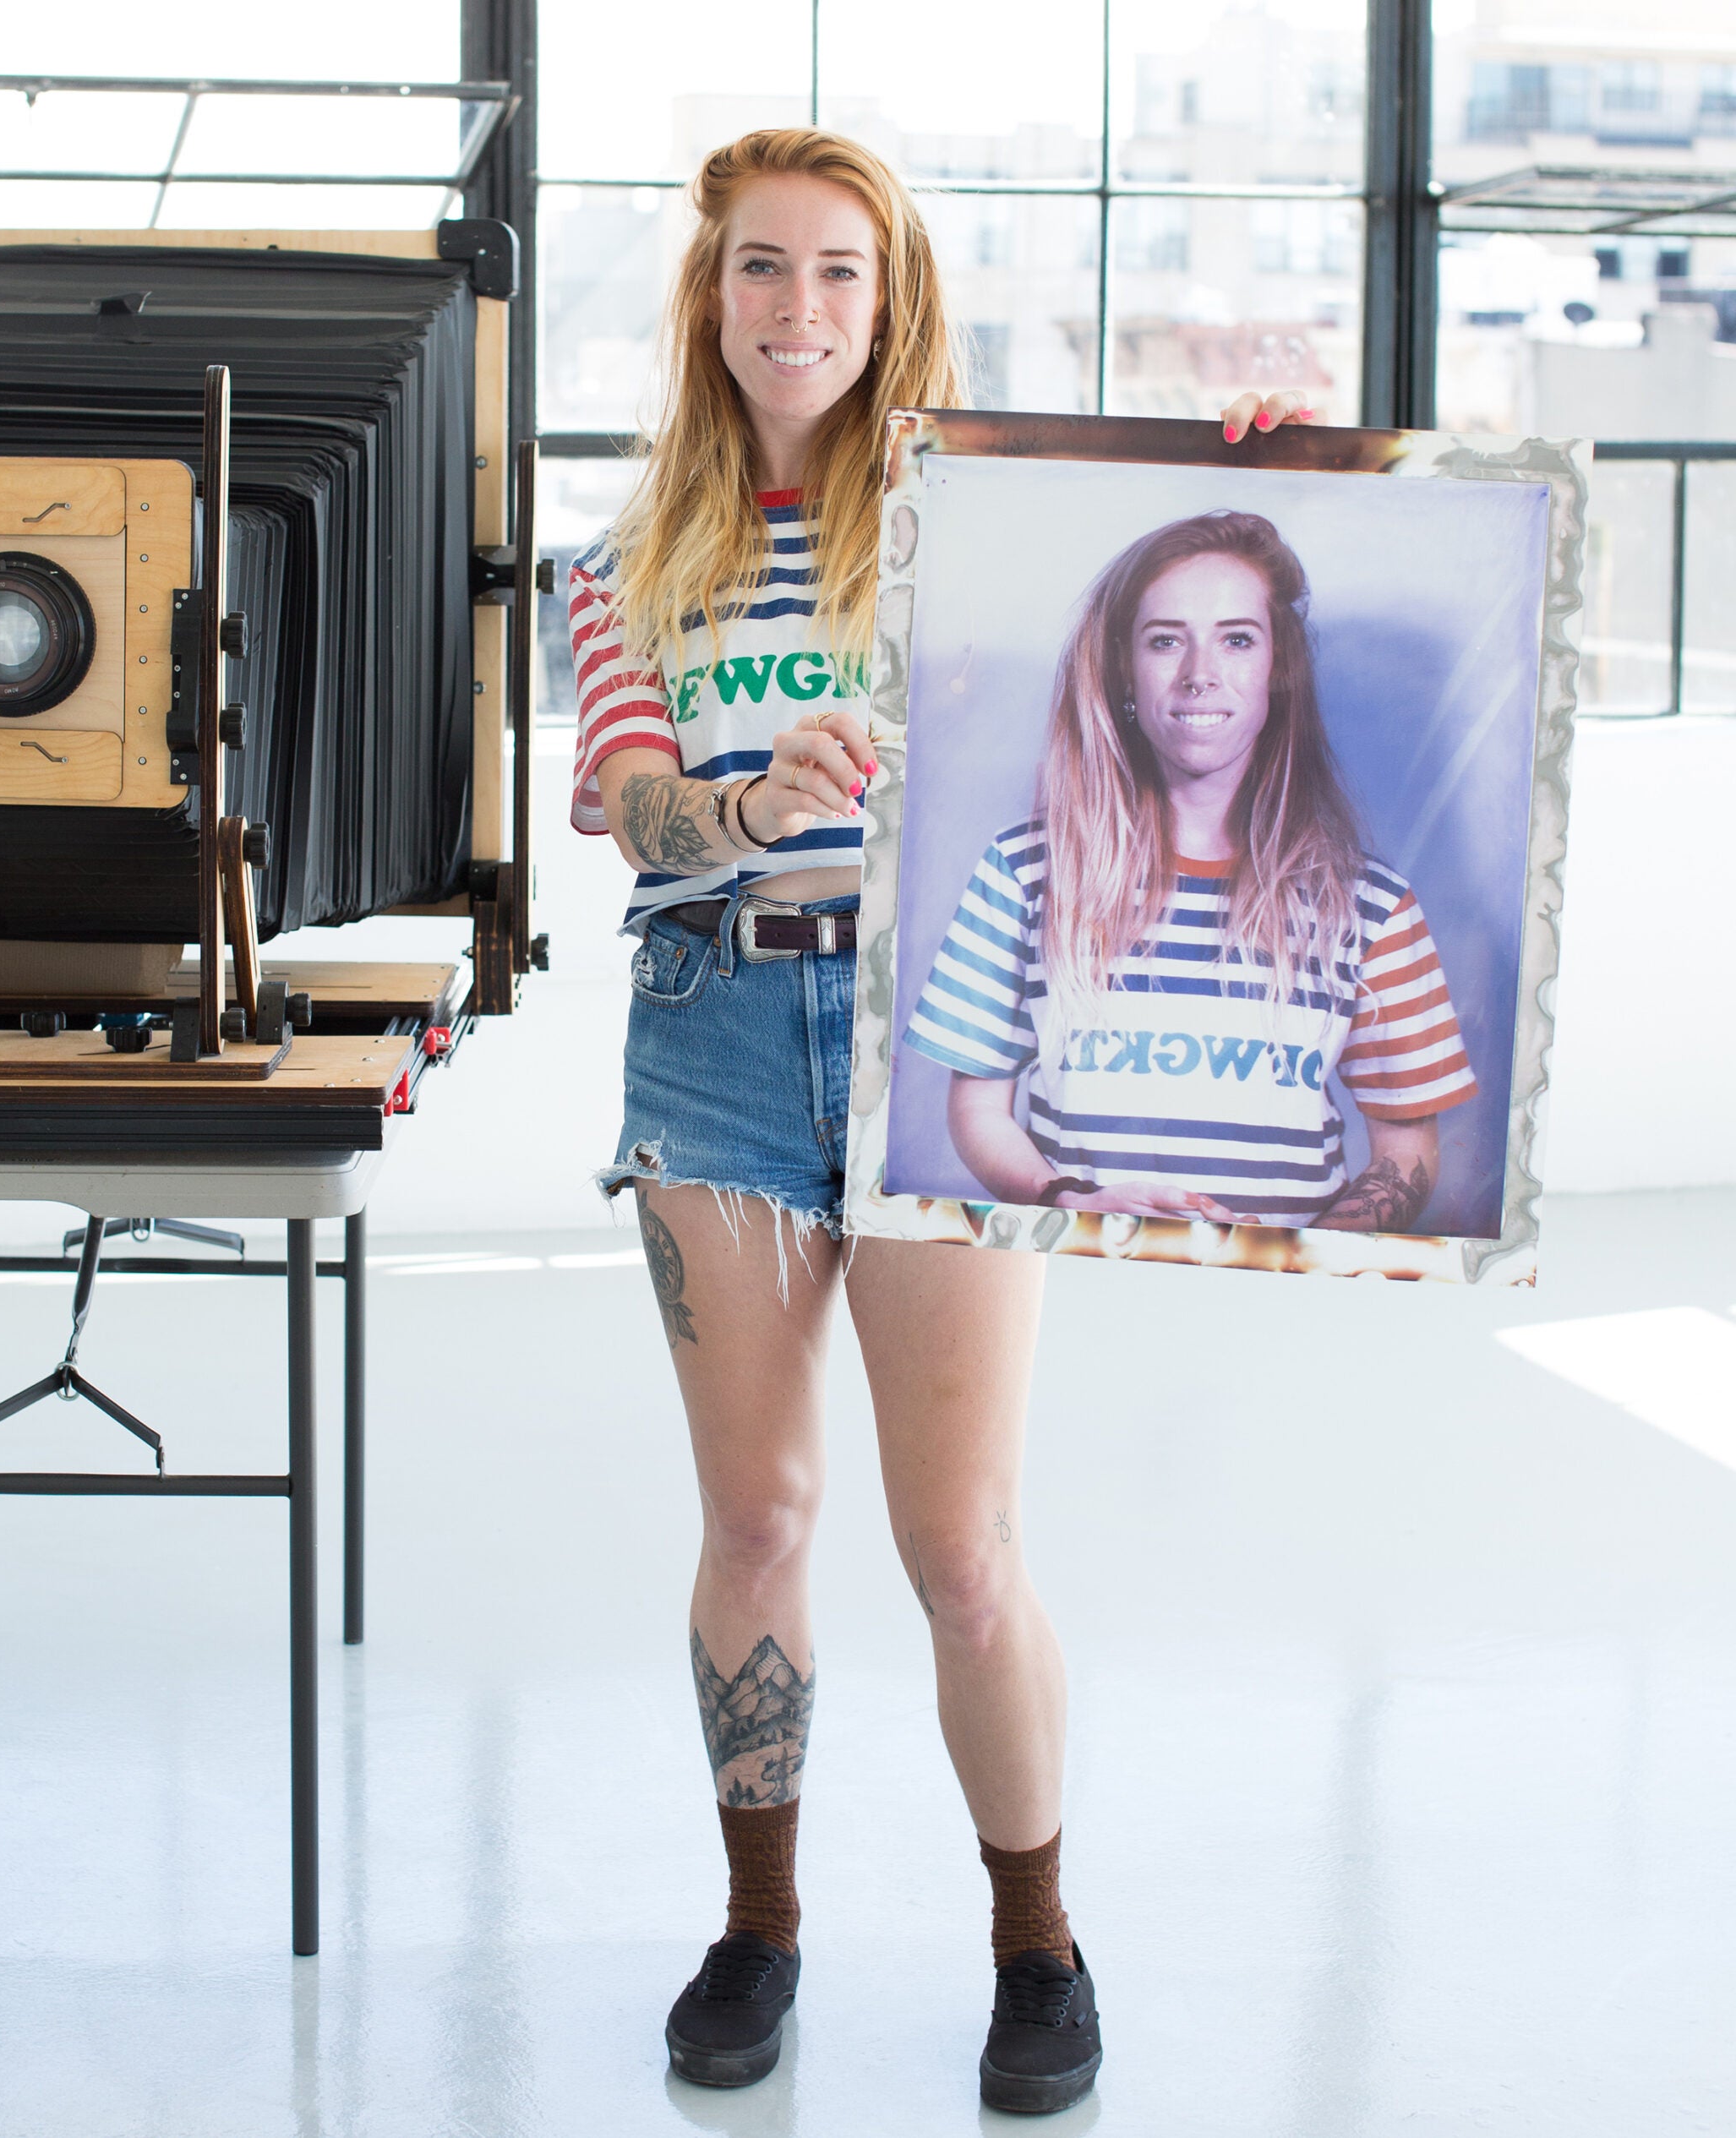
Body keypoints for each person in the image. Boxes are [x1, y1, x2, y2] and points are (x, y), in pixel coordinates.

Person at [567, 126, 1310, 2113]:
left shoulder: (980, 518)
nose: (794, 305)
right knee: (756, 1516)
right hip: (710, 1025)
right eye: (757, 268)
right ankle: (757, 1926)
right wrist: (743, 809)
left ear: (887, 302)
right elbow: (625, 802)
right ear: (706, 298)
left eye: (836, 270)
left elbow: (1175, 587)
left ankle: (1035, 1942)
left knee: (958, 1542)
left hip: (942, 1032)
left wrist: (1250, 459)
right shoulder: (633, 549)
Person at [905, 508, 1477, 1230]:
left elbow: (1408, 1149)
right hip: (1079, 1277)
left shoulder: (1372, 906)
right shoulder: (1020, 876)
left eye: (1237, 640)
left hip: (1280, 1308)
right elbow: (978, 1109)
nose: (1200, 675)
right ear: (1123, 670)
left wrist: (1306, 1258)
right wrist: (1067, 1203)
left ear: (1278, 669)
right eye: (1165, 641)